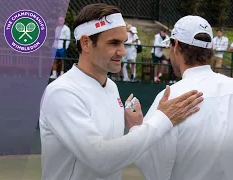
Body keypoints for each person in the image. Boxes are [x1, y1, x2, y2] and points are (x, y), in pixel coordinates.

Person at [39, 3, 204, 180]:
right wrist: (163, 119)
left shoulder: (111, 86)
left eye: (123, 42)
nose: (123, 51)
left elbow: (114, 156)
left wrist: (135, 128)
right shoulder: (62, 92)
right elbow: (101, 161)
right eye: (114, 43)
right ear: (86, 43)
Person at [133, 15, 233, 180]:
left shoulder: (169, 97)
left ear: (175, 46)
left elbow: (153, 170)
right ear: (209, 50)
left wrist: (136, 127)